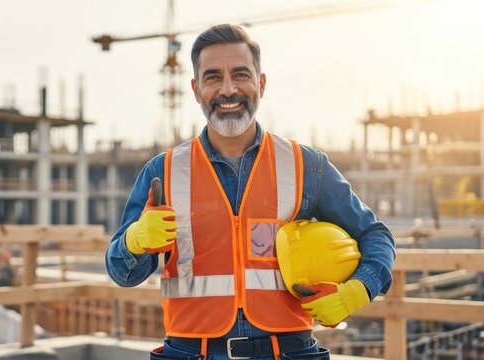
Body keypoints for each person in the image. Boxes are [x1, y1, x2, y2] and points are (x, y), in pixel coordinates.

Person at [106, 24, 395, 360]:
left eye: (240, 75)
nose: (228, 89)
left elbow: (376, 236)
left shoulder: (307, 166)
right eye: (213, 77)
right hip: (190, 352)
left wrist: (359, 290)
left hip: (287, 351)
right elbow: (122, 274)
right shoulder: (163, 172)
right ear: (196, 89)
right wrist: (134, 241)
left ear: (261, 83)